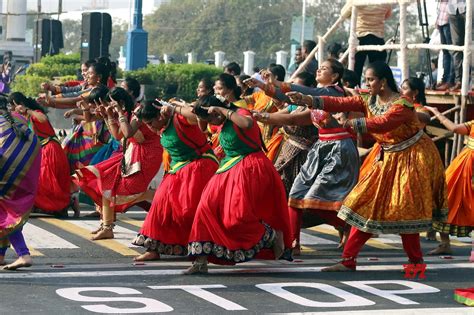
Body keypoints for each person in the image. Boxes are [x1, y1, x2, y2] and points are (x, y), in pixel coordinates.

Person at [287, 61, 448, 271]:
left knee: (405, 209)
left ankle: (416, 261)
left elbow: (384, 123)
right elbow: (339, 103)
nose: (367, 83)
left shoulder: (402, 104)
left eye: (371, 79)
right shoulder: (368, 100)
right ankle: (348, 260)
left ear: (383, 82)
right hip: (388, 157)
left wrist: (350, 124)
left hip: (413, 157)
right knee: (362, 203)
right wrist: (309, 100)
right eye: (367, 79)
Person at [249, 58, 357, 254]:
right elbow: (292, 99)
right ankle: (294, 243)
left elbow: (299, 107)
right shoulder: (315, 95)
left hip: (338, 149)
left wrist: (263, 115)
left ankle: (345, 225)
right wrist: (264, 86)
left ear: (335, 76)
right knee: (296, 197)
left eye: (324, 69)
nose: (318, 71)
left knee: (316, 199)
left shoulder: (332, 92)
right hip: (321, 148)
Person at [185, 95, 291, 274]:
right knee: (205, 208)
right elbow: (203, 127)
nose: (213, 122)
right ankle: (200, 260)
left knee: (237, 216)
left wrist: (223, 110)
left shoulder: (240, 113)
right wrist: (199, 112)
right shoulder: (217, 120)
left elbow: (247, 124)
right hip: (228, 167)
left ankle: (271, 235)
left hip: (250, 166)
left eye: (213, 117)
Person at [132, 100, 218, 261]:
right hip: (179, 169)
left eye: (151, 123)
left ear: (160, 115)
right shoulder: (162, 125)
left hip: (200, 167)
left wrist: (174, 109)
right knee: (159, 203)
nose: (151, 128)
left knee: (189, 210)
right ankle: (153, 248)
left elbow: (196, 115)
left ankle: (204, 248)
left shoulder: (180, 119)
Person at [73, 87, 163, 240]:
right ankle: (107, 227)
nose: (108, 107)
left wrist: (118, 113)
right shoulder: (126, 113)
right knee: (106, 183)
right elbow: (117, 136)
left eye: (110, 104)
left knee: (128, 190)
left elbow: (128, 134)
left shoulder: (138, 111)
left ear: (120, 102)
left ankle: (163, 196)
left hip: (147, 156)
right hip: (131, 153)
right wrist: (108, 115)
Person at [8, 92, 73, 217]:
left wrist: (27, 110)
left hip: (50, 150)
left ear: (19, 104)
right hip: (41, 152)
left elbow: (43, 119)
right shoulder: (22, 117)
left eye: (12, 106)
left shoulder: (34, 113)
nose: (11, 110)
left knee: (45, 183)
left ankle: (65, 204)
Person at [424, 106, 473, 258]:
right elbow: (455, 128)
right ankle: (445, 244)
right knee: (443, 200)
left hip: (468, 170)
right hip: (461, 168)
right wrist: (437, 113)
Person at [0, 95, 41, 270]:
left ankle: (23, 254)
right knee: (9, 211)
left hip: (8, 169)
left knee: (4, 212)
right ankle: (1, 256)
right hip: (27, 169)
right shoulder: (17, 118)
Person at [341, 1, 392, 86]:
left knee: (355, 70)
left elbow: (344, 14)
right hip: (378, 38)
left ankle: (354, 94)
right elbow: (387, 15)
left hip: (359, 37)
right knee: (378, 72)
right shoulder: (385, 1)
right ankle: (376, 95)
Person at [447, 0, 467, 91]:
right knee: (456, 47)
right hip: (452, 9)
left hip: (469, 8)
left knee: (472, 44)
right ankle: (459, 81)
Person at [435, 0, 455, 91]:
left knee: (452, 52)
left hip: (450, 20)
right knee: (446, 52)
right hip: (442, 20)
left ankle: (450, 80)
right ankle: (445, 79)